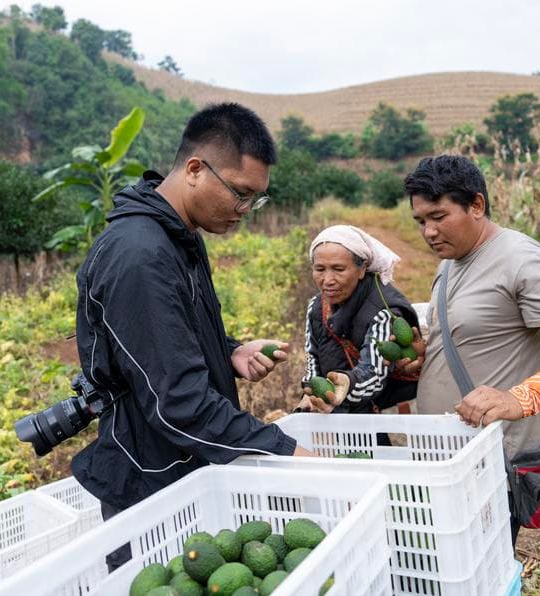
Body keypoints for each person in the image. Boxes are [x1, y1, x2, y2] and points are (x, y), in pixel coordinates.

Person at [71, 103, 314, 568]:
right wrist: (285, 450)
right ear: (196, 170)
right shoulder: (139, 255)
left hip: (188, 472)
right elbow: (176, 402)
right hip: (150, 488)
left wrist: (230, 352)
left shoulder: (180, 236)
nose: (246, 210)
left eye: (255, 199)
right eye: (241, 194)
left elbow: (163, 341)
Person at [402, 154, 540, 545]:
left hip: (494, 460)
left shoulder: (522, 260)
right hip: (446, 454)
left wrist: (520, 398)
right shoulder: (449, 263)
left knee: (483, 566)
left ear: (476, 205)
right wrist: (425, 357)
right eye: (420, 222)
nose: (428, 232)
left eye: (438, 216)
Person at [297, 225, 419, 415]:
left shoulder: (383, 311)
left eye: (338, 269)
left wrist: (347, 384)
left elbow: (374, 373)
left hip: (375, 411)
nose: (327, 280)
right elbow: (313, 354)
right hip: (337, 407)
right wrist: (311, 390)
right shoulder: (317, 305)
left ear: (362, 269)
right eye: (319, 269)